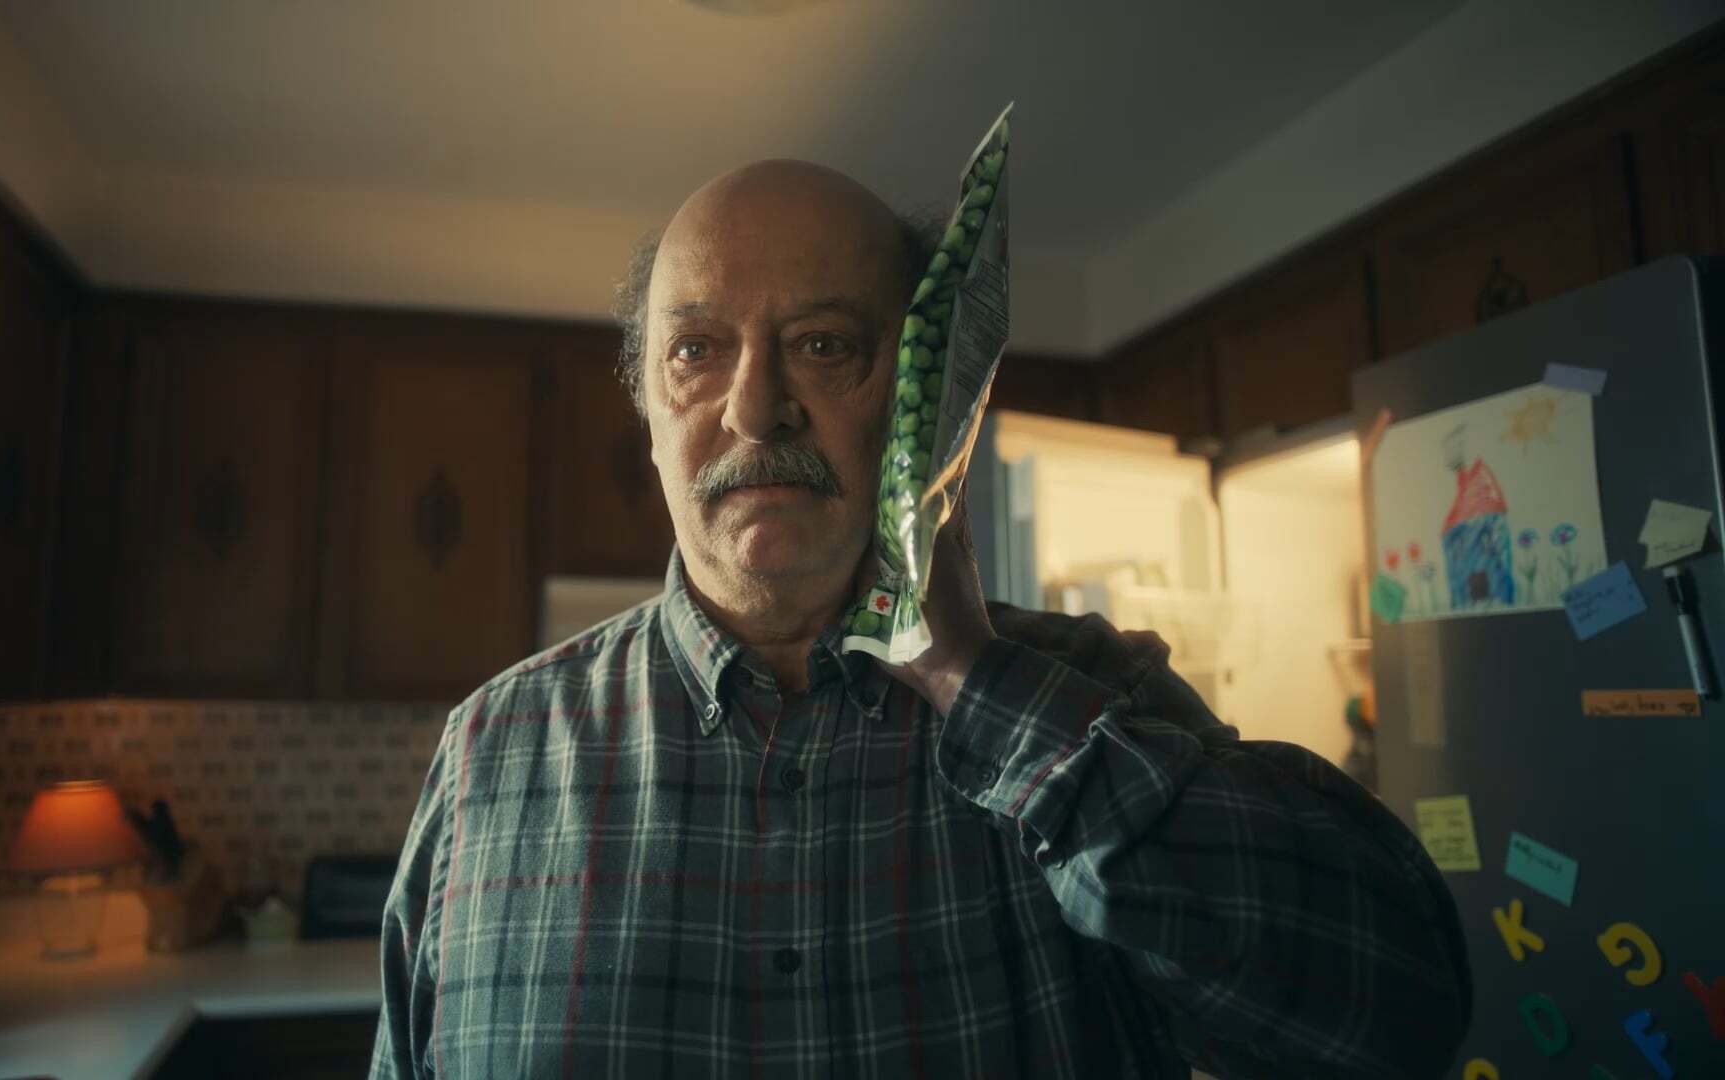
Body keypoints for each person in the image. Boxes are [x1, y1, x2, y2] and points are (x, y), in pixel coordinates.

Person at [370, 160, 1470, 1079]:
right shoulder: (487, 754)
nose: (755, 409)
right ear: (651, 412)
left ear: (927, 396)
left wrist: (976, 681)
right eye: (696, 351)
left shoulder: (1100, 699)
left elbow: (1399, 1015)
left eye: (824, 343)